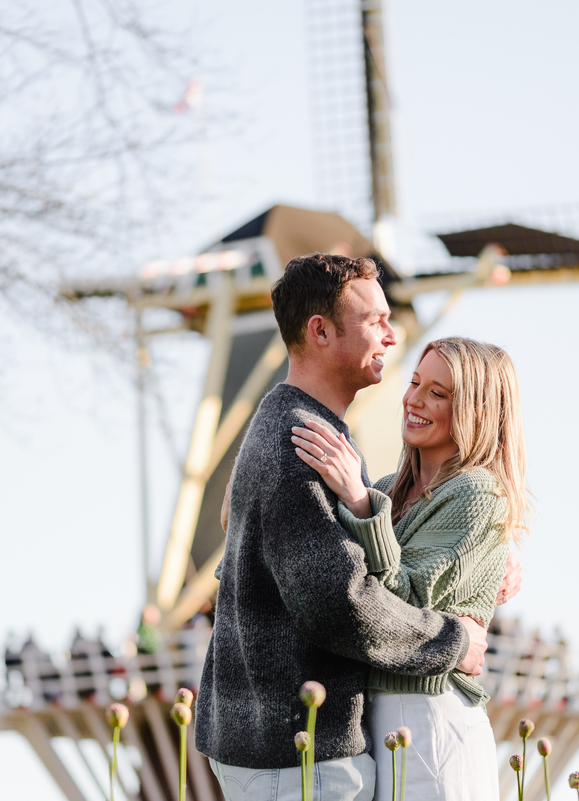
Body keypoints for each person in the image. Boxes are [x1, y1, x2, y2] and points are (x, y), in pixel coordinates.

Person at [194, 253, 518, 801]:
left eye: (437, 391)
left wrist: (493, 547)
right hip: (299, 749)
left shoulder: (311, 438)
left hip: (324, 737)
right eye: (376, 321)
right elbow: (340, 605)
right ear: (319, 331)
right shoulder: (305, 446)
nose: (391, 337)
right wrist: (453, 640)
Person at [290, 336, 529, 801]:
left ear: (477, 410)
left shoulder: (478, 492)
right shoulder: (387, 493)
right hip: (375, 717)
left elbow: (408, 604)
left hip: (430, 716)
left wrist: (359, 506)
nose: (413, 399)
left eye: (438, 393)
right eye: (415, 382)